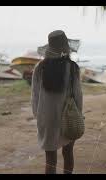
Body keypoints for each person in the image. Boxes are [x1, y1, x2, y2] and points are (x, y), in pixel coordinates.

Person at [31, 30, 83, 174]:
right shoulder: (72, 67)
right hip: (68, 117)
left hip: (46, 118)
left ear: (50, 47)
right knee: (68, 155)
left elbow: (35, 96)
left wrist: (38, 115)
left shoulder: (39, 68)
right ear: (66, 47)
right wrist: (79, 113)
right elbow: (78, 95)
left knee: (50, 161)